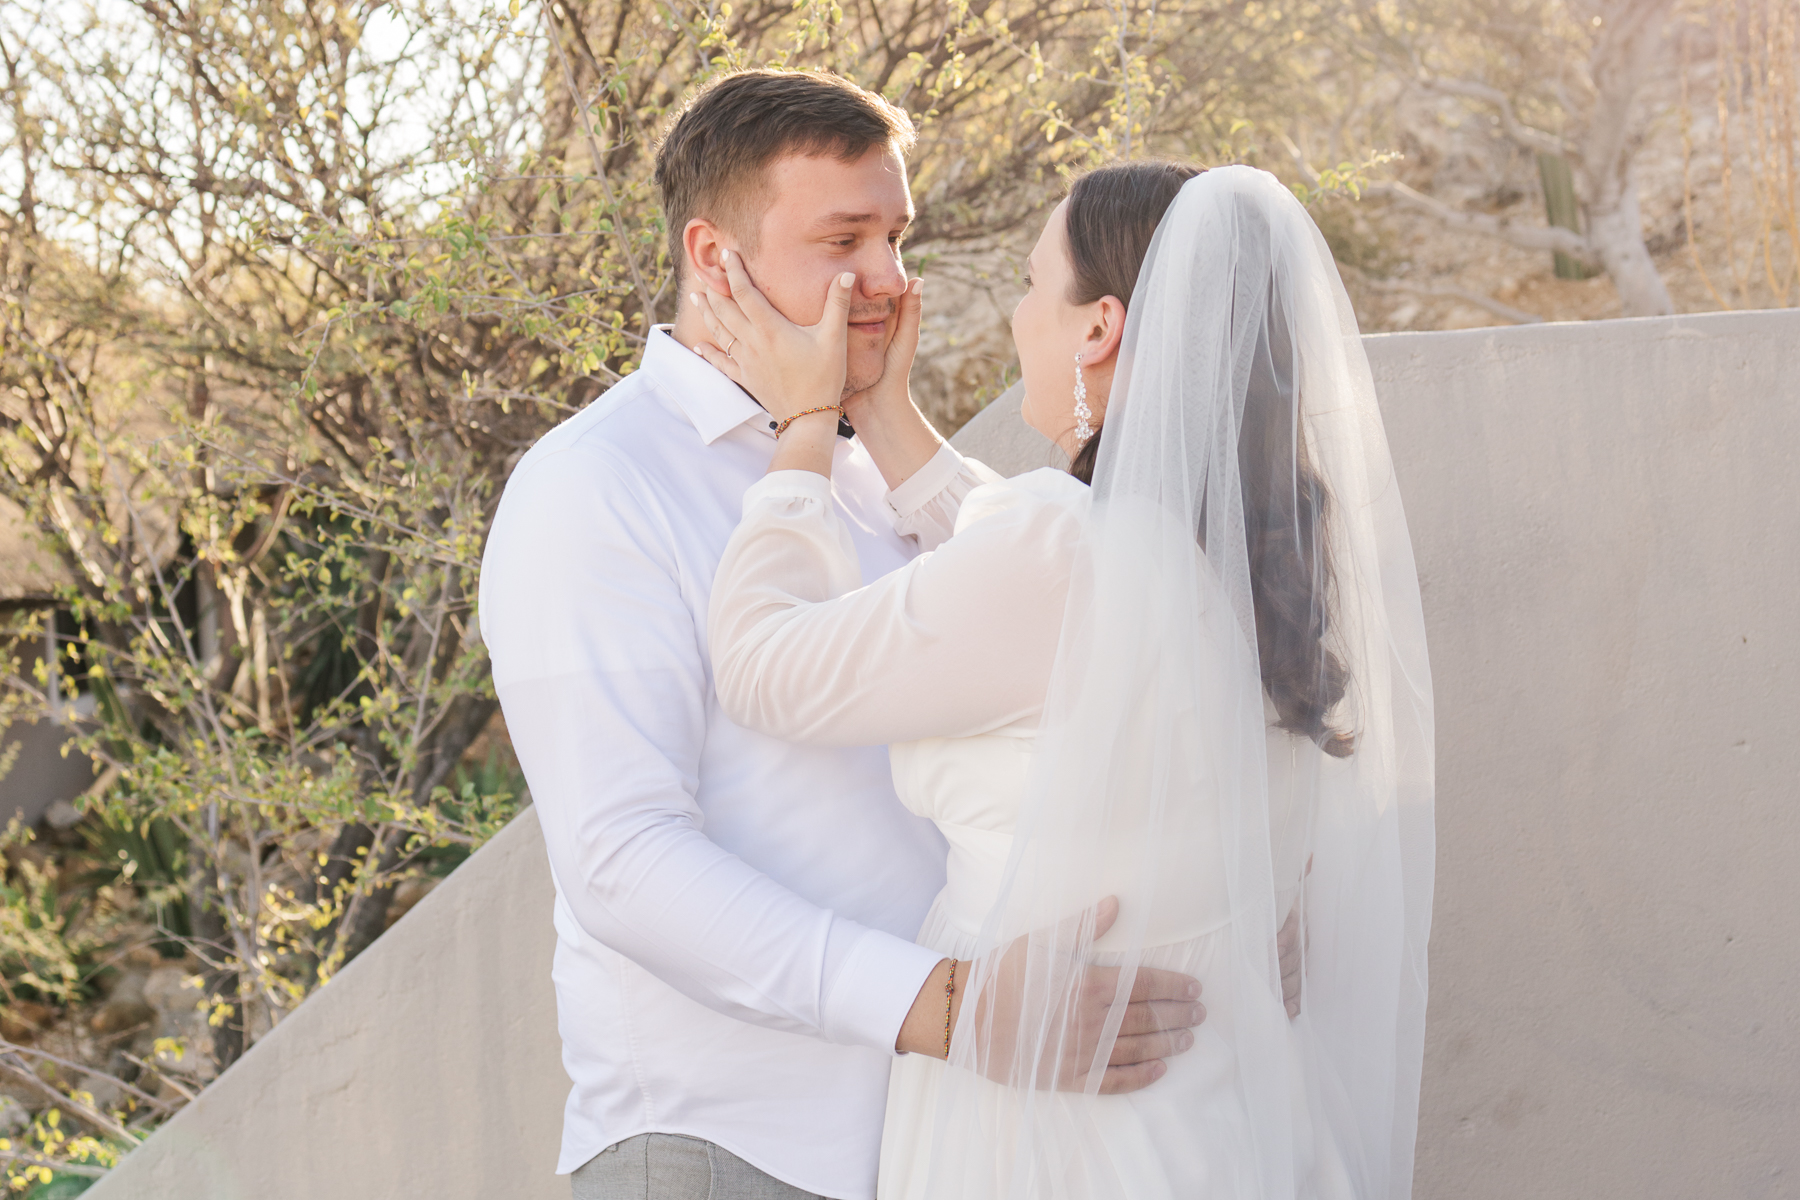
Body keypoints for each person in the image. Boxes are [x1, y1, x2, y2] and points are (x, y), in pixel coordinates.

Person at [478, 72, 1220, 1200]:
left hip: (957, 1133)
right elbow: (620, 861)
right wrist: (944, 1007)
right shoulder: (593, 487)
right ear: (714, 258)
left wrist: (866, 410)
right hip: (731, 1144)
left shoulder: (873, 462)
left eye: (895, 235)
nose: (886, 278)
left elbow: (1072, 602)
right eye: (844, 239)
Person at [697, 162, 1435, 1197]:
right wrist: (889, 413)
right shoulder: (1253, 556)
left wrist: (807, 422)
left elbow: (764, 671)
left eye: (1033, 286)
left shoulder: (1065, 552)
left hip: (1051, 1126)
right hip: (1227, 1113)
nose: (1014, 317)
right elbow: (1024, 590)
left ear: (1099, 328)